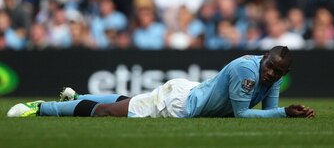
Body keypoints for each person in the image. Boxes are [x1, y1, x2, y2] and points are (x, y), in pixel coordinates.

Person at [7, 46, 315, 118]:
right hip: (179, 105)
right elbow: (245, 116)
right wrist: (286, 113)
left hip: (189, 92)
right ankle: (41, 108)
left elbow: (267, 115)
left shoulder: (270, 75)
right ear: (263, 59)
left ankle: (76, 95)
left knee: (125, 100)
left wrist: (283, 113)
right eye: (269, 67)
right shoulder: (247, 71)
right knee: (105, 112)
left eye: (277, 73)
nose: (271, 74)